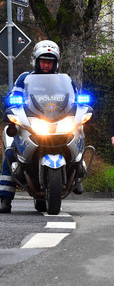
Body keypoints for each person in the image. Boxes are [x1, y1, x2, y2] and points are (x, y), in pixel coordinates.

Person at [1, 40, 75, 213]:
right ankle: (5, 198)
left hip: (58, 123)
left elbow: (74, 99)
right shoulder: (25, 78)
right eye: (43, 61)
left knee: (78, 133)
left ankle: (77, 171)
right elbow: (14, 96)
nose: (46, 65)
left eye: (50, 61)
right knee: (11, 151)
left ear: (55, 63)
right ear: (36, 61)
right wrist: (10, 108)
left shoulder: (64, 80)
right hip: (31, 123)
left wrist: (81, 109)